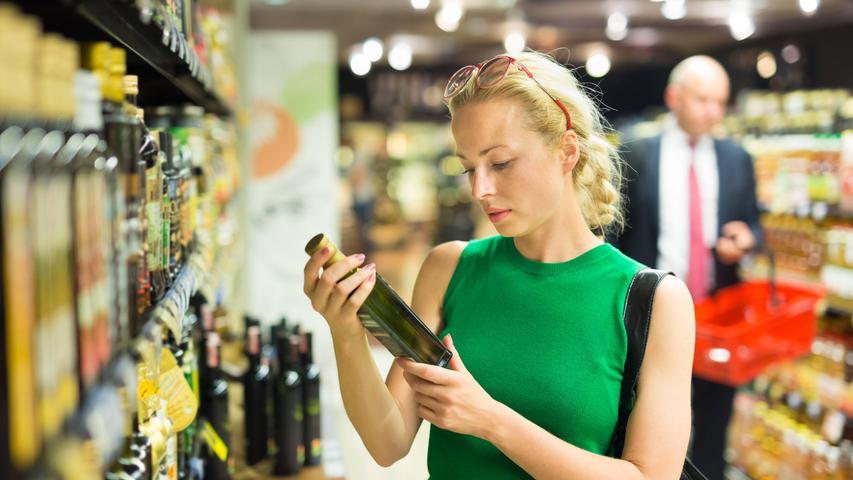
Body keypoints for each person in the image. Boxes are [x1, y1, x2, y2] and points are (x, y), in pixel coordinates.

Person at [304, 51, 694, 479]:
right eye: (468, 168)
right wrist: (345, 333)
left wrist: (491, 421)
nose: (480, 189)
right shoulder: (449, 268)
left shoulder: (652, 300)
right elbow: (387, 442)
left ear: (566, 151)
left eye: (501, 163)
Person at [609, 55, 762, 480]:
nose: (714, 111)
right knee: (645, 428)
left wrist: (746, 239)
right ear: (673, 98)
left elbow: (753, 222)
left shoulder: (737, 158)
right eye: (703, 100)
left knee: (713, 429)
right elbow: (613, 233)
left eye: (721, 102)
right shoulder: (637, 151)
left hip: (719, 319)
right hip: (651, 319)